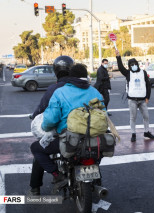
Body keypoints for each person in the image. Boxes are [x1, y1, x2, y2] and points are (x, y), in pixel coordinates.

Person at [30, 63, 104, 193]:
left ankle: (57, 176)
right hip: (94, 139)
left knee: (36, 148)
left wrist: (44, 126)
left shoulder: (60, 92)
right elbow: (104, 115)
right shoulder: (95, 92)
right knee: (96, 151)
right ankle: (96, 178)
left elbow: (50, 120)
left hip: (69, 140)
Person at [29, 55, 74, 196]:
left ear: (55, 71)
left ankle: (36, 188)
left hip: (63, 135)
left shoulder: (54, 89)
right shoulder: (82, 87)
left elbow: (44, 112)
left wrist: (35, 116)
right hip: (86, 133)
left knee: (38, 149)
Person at [115, 49, 154, 142]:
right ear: (129, 66)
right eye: (131, 65)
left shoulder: (143, 72)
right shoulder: (128, 73)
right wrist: (118, 57)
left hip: (142, 100)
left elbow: (148, 85)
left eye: (135, 64)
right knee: (132, 117)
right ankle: (133, 133)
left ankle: (146, 132)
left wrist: (147, 97)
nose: (133, 66)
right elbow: (121, 68)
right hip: (132, 100)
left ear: (137, 64)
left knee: (146, 116)